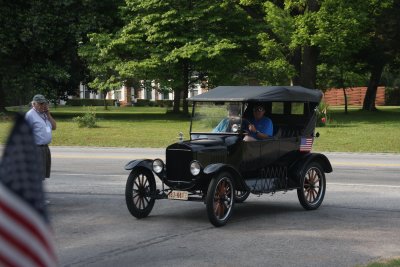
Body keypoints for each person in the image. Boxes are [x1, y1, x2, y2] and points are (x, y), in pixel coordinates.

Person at [25, 94, 57, 182]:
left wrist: (48, 114)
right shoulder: (30, 115)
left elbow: (54, 127)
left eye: (44, 103)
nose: (43, 105)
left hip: (45, 148)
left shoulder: (45, 114)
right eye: (40, 103)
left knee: (42, 174)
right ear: (33, 104)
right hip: (36, 148)